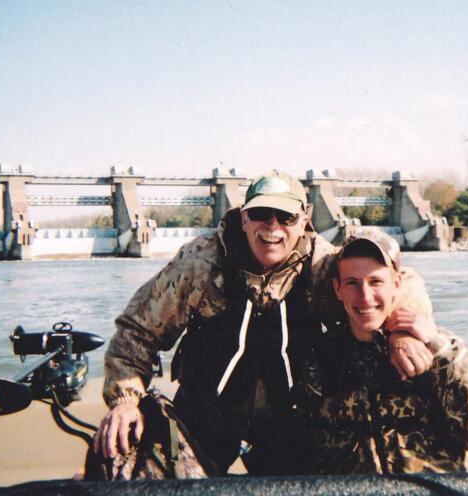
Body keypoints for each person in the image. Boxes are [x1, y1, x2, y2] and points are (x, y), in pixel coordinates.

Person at [93, 171, 437, 476]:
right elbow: (136, 331)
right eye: (260, 214)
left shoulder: (322, 265)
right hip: (202, 420)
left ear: (303, 221)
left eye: (286, 217)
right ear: (244, 218)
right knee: (123, 452)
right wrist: (125, 400)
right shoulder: (200, 264)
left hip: (292, 424)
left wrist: (401, 333)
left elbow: (400, 281)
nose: (272, 227)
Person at [295, 229, 468, 474]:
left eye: (376, 282)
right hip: (355, 492)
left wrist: (438, 351)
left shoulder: (443, 349)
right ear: (338, 289)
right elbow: (307, 443)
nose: (365, 297)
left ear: (396, 284)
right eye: (353, 283)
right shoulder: (322, 357)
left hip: (429, 490)